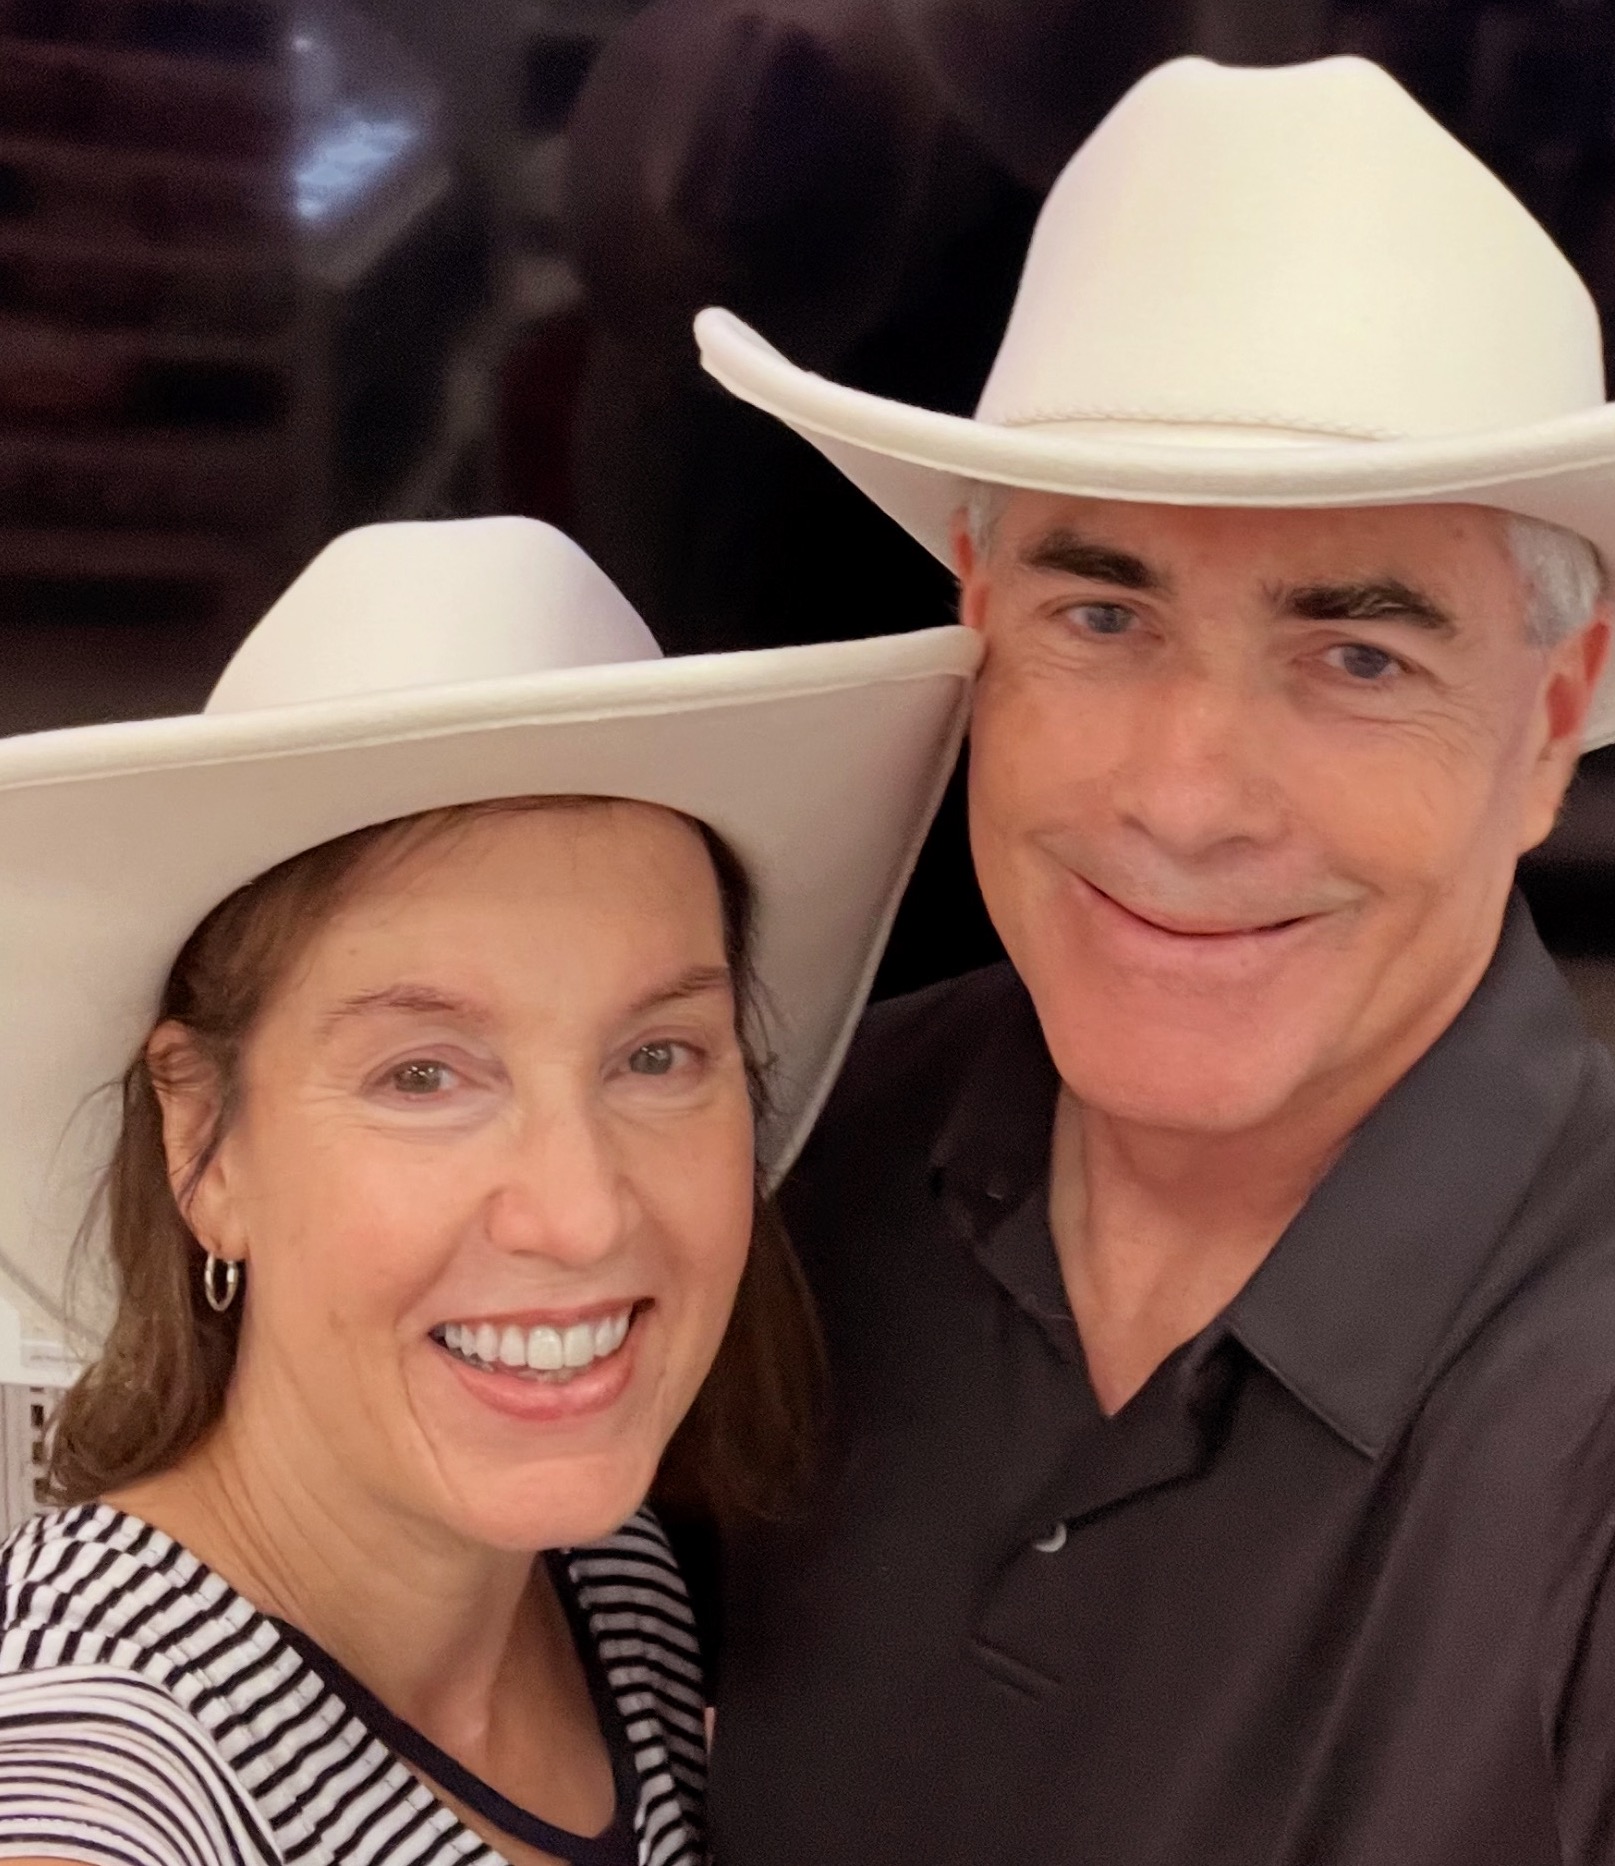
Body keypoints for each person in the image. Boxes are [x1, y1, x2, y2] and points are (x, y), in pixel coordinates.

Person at [689, 55, 1615, 1866]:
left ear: (1548, 719)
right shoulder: (794, 1167)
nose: (1189, 796)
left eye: (1355, 656)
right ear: (978, 623)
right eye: (1103, 614)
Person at [0, 517, 975, 1865]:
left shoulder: (609, 1590)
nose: (576, 1212)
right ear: (204, 1146)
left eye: (655, 1055)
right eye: (424, 1075)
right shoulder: (96, 1778)